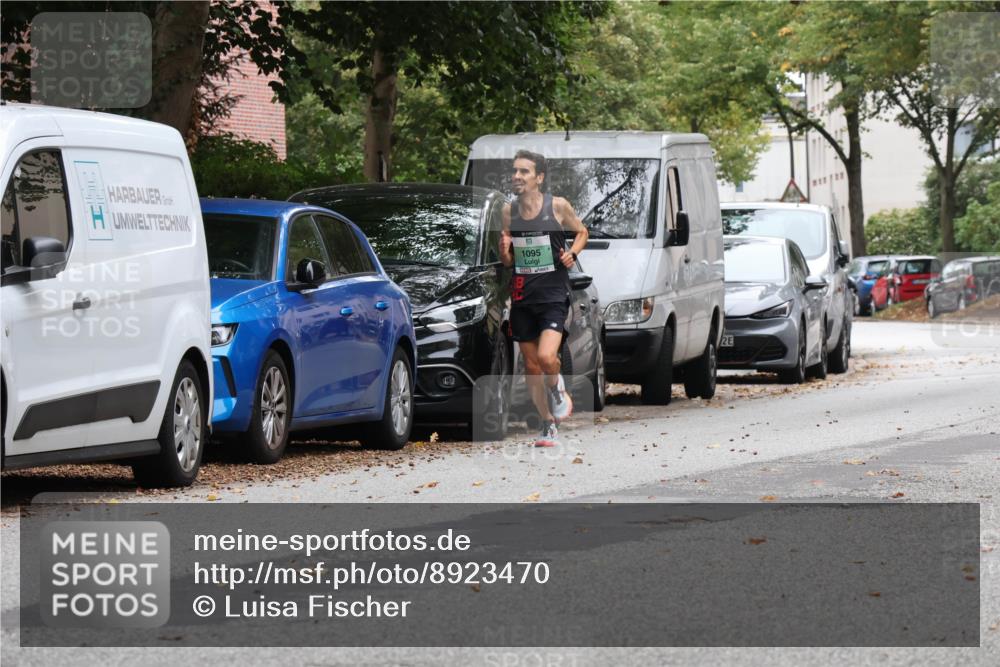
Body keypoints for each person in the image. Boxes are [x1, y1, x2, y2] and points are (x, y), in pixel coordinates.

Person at [499, 149, 588, 448]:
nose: (517, 176)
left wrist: (572, 253)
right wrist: (504, 249)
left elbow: (582, 232)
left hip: (552, 294)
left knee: (547, 358)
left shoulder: (558, 206)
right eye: (515, 171)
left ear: (539, 178)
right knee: (531, 365)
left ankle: (557, 387)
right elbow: (510, 262)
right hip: (523, 296)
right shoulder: (509, 211)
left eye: (524, 171)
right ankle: (548, 424)